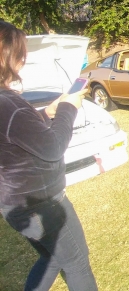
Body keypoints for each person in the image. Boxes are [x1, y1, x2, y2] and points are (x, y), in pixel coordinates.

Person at [0, 21, 97, 291]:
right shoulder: (8, 102)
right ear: (9, 56)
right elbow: (53, 149)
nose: (24, 58)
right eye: (21, 52)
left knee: (51, 257)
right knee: (76, 262)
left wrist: (46, 114)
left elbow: (15, 136)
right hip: (42, 204)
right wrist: (68, 107)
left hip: (13, 205)